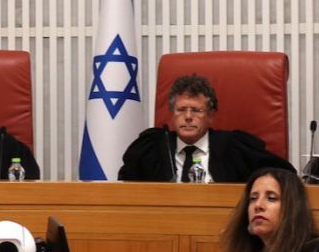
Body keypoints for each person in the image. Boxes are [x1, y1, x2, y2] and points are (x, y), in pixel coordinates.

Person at [118, 74, 293, 182]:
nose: (187, 116)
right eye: (181, 109)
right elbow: (124, 192)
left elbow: (285, 176)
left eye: (196, 110)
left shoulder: (235, 148)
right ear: (172, 113)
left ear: (210, 115)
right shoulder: (151, 149)